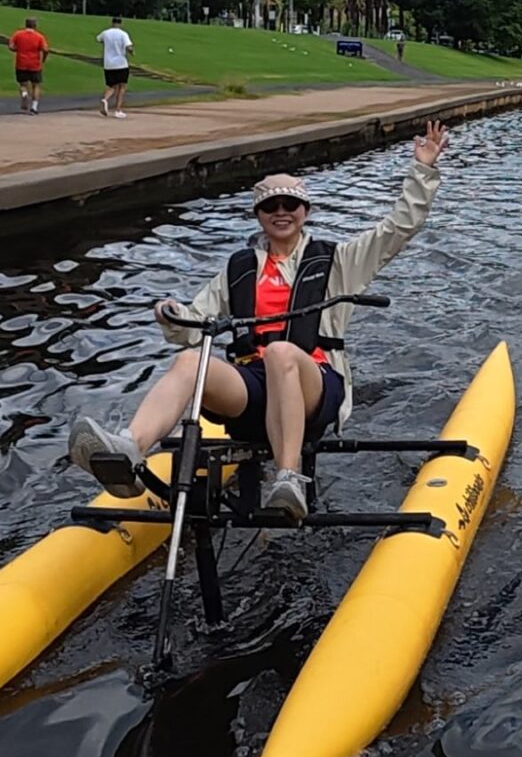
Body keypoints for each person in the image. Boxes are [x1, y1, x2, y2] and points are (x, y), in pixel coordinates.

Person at [68, 120, 450, 519]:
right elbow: (191, 326)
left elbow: (399, 227)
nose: (281, 213)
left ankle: (289, 478)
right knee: (189, 362)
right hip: (253, 389)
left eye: (290, 205)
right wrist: (172, 314)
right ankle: (129, 449)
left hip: (316, 386)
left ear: (305, 212)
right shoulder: (239, 269)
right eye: (271, 206)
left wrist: (422, 169)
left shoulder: (339, 261)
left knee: (281, 353)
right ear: (258, 214)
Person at [9, 16, 49, 114]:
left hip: (21, 63)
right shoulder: (39, 36)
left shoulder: (18, 34)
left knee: (23, 84)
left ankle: (24, 94)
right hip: (35, 64)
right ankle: (34, 108)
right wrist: (43, 59)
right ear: (35, 25)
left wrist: (17, 50)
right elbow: (45, 49)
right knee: (36, 85)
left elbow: (11, 46)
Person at [97, 16, 134, 118]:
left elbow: (98, 39)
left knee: (112, 86)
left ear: (112, 23)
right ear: (120, 23)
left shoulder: (106, 33)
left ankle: (105, 99)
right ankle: (118, 110)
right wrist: (131, 52)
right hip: (121, 63)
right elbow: (128, 47)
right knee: (122, 86)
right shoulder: (123, 34)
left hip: (108, 64)